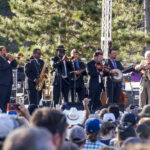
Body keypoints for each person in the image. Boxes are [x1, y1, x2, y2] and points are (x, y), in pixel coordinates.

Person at [0, 46, 17, 112]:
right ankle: (2, 113)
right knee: (2, 99)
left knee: (7, 99)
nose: (5, 52)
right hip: (2, 82)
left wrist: (13, 59)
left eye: (5, 50)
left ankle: (5, 112)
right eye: (4, 50)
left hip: (9, 82)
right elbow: (3, 67)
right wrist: (9, 61)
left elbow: (14, 65)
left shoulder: (5, 58)